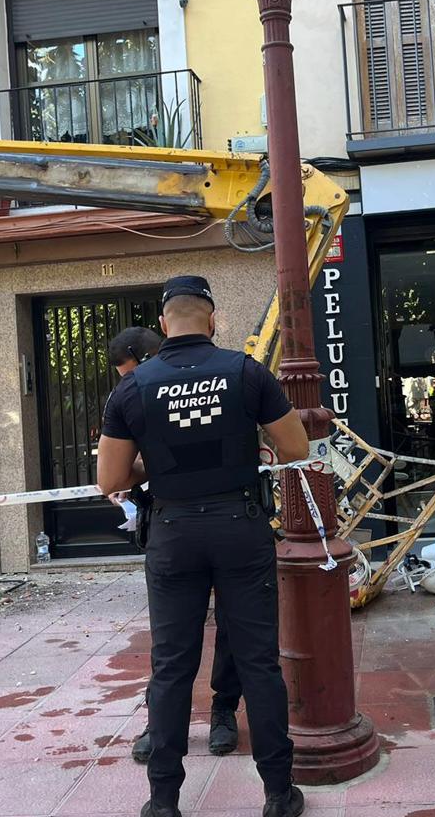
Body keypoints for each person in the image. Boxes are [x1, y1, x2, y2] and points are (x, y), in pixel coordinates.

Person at [97, 276, 310, 817]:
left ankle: (164, 801)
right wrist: (243, 448)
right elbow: (295, 446)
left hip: (173, 532)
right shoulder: (245, 371)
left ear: (164, 325)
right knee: (259, 664)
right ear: (212, 320)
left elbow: (111, 479)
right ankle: (277, 795)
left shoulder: (133, 386)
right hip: (240, 526)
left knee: (171, 667)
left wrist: (163, 462)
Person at [104, 326, 243, 764]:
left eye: (130, 373)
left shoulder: (214, 378)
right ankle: (163, 722)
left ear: (148, 357)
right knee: (171, 638)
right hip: (169, 521)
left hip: (226, 519)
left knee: (233, 627)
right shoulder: (134, 393)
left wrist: (148, 464)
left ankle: (223, 709)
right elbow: (119, 468)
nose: (128, 383)